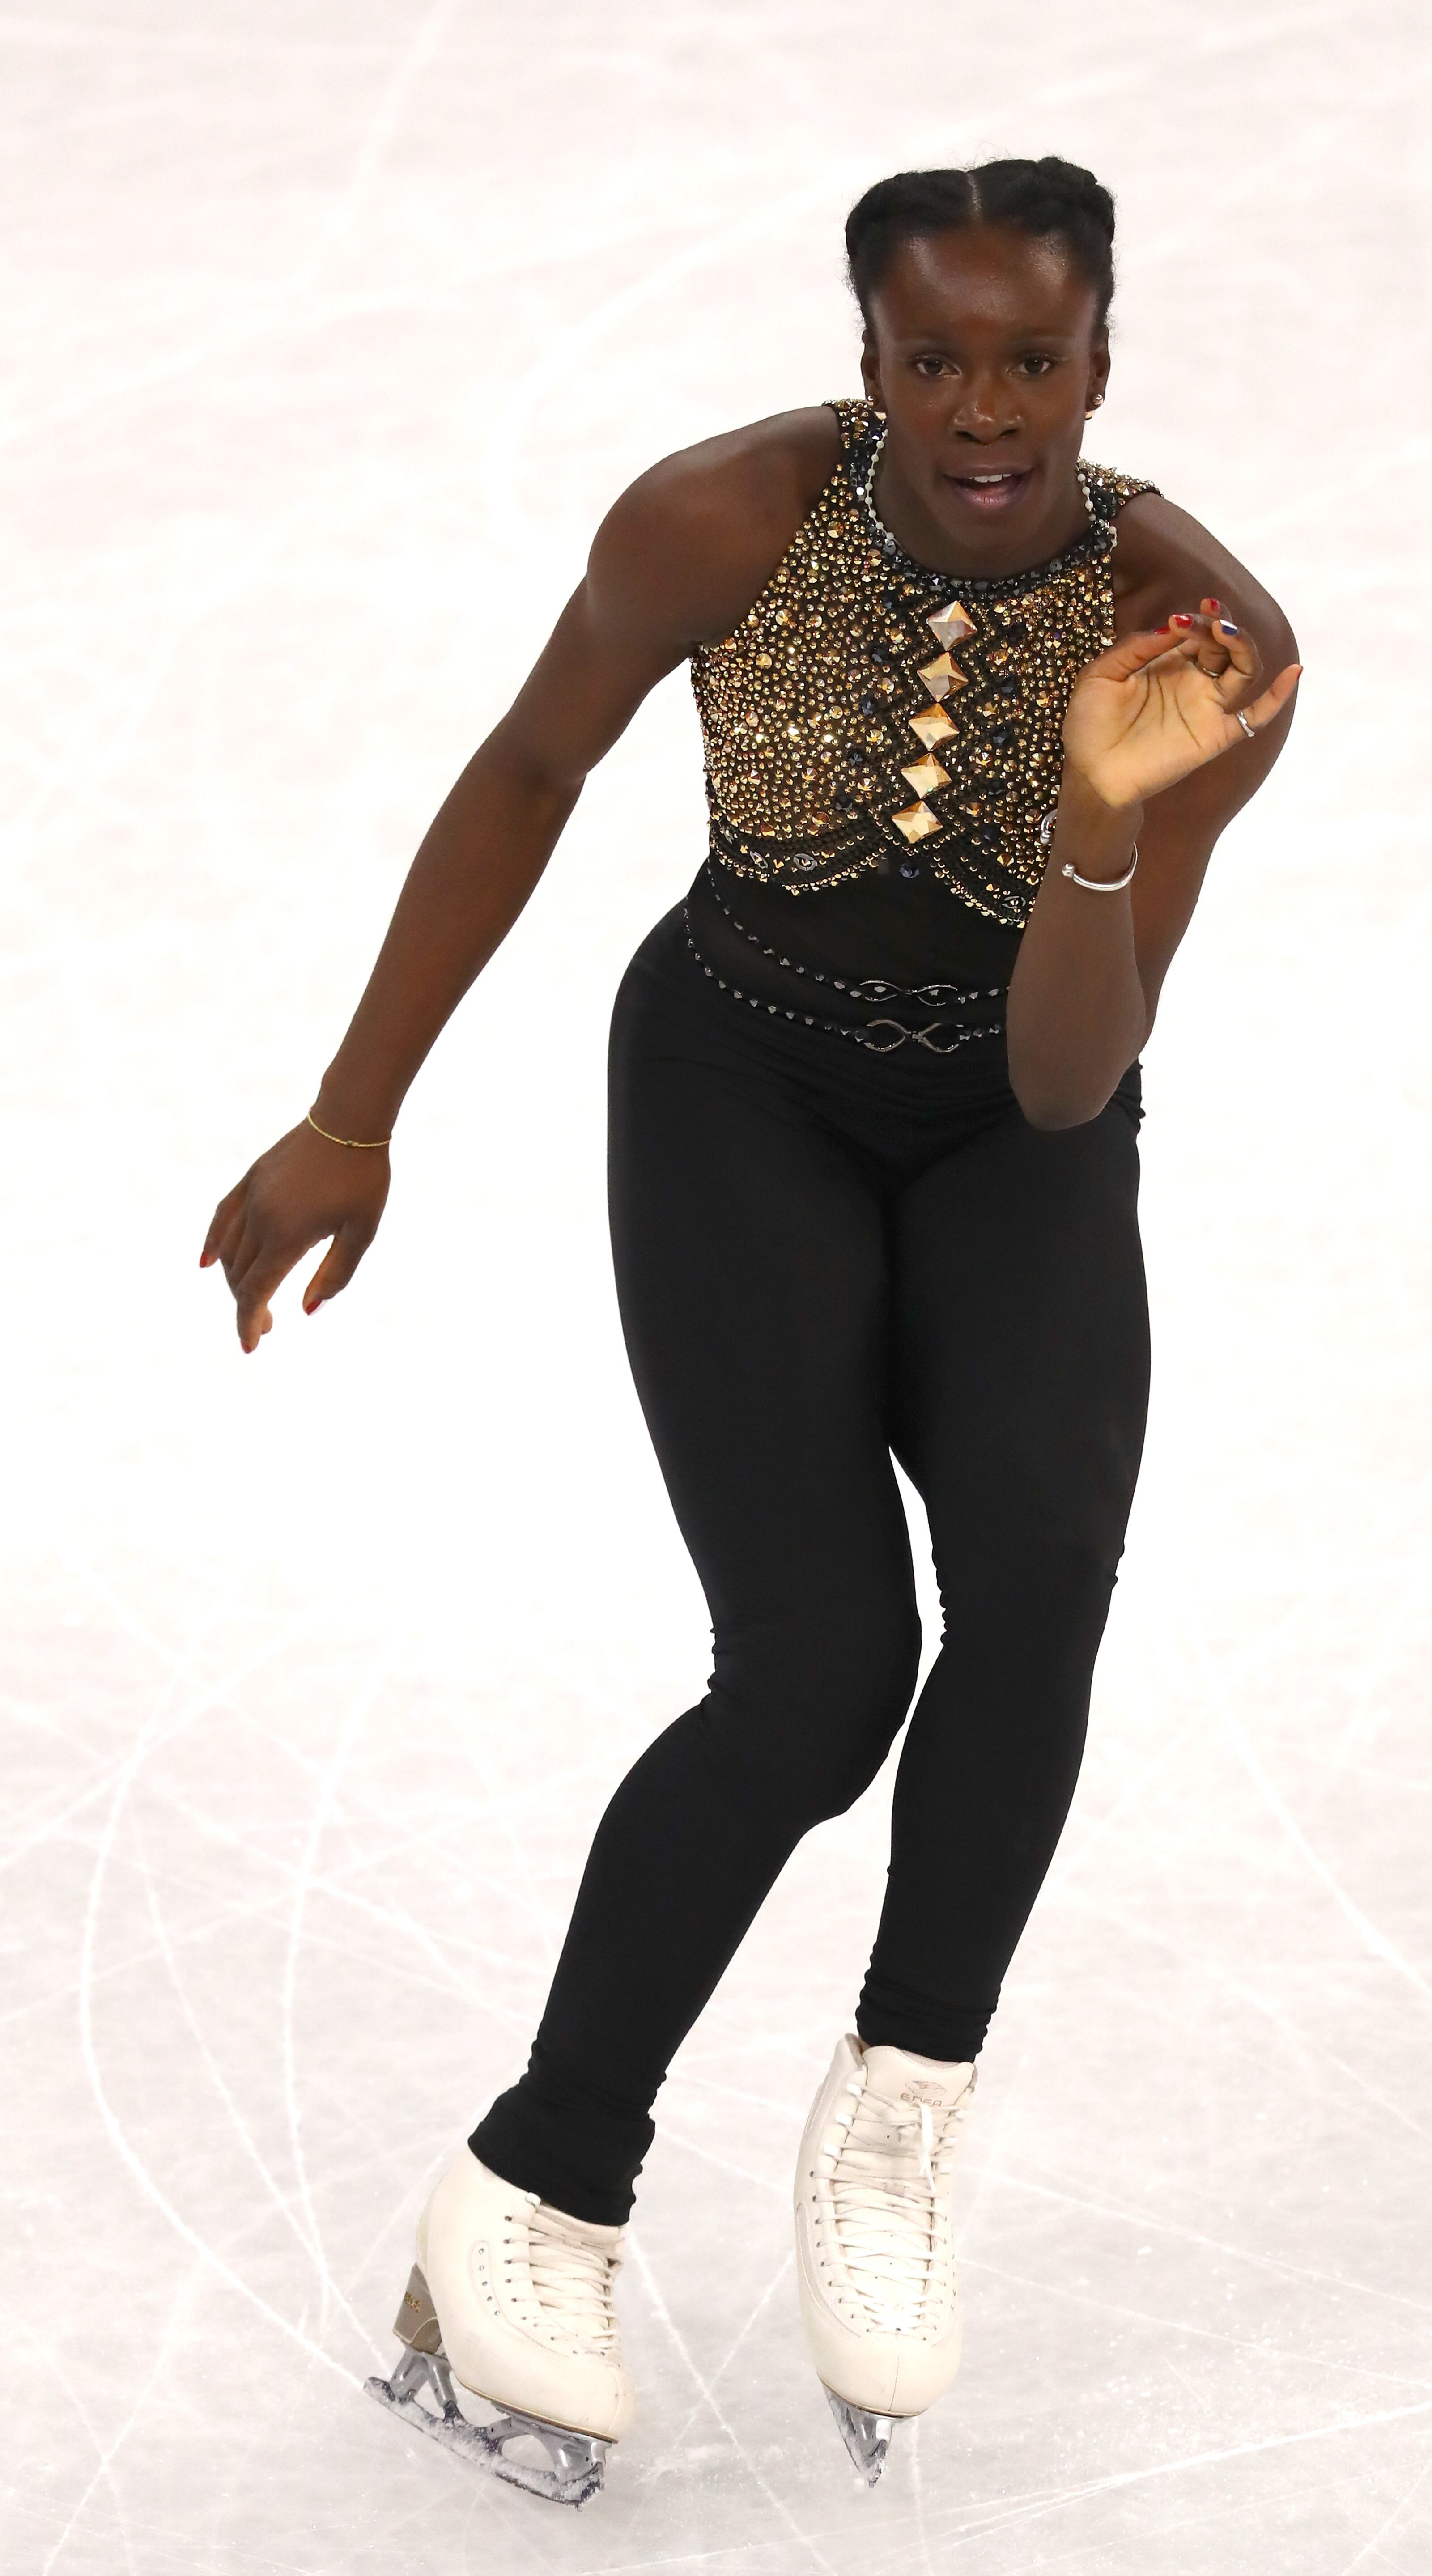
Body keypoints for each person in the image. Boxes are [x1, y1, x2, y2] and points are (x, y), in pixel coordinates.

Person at [202, 155, 1299, 2503]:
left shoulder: (1201, 641)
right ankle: (538, 2177)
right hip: (739, 1094)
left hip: (1018, 1130)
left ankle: (898, 2120)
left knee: (1035, 1598)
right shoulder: (724, 520)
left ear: (1103, 362)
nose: (984, 411)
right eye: (938, 359)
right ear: (869, 351)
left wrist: (1101, 825)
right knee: (816, 1675)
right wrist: (350, 1111)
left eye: (1034, 359)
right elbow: (527, 771)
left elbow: (1060, 1080)